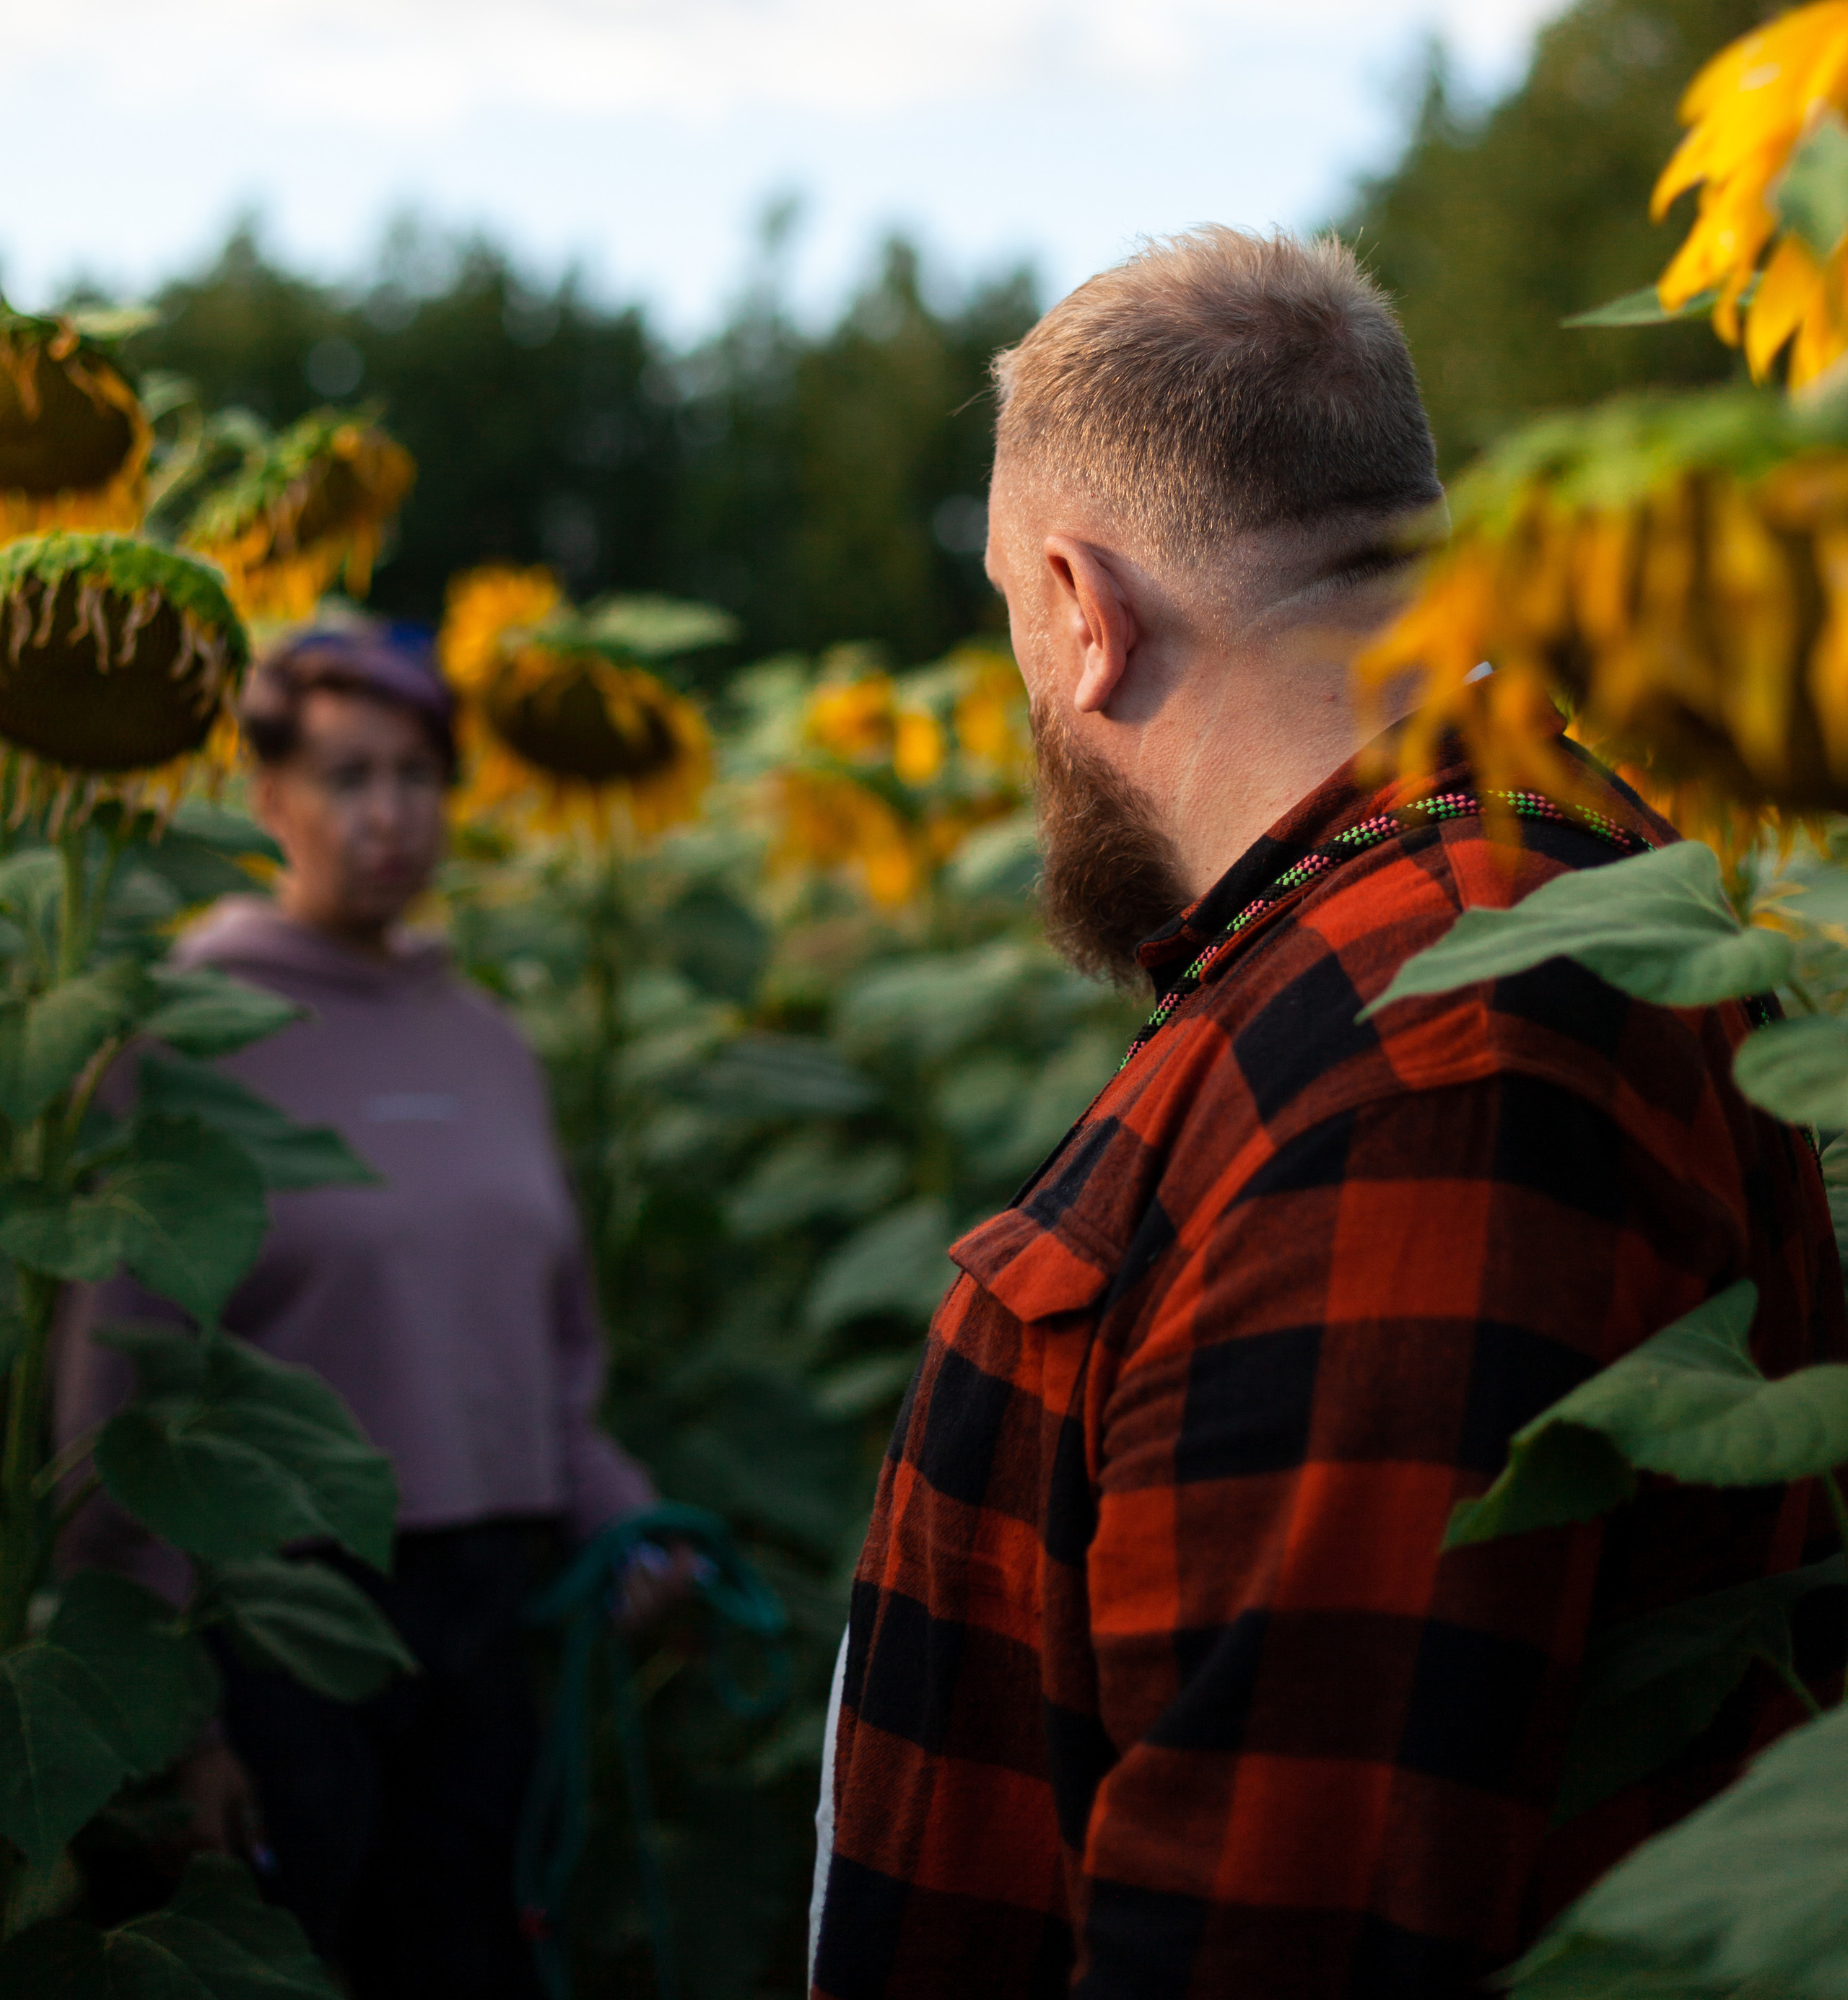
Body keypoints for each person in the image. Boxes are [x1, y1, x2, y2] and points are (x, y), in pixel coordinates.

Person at [810, 227, 1847, 2000]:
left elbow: (1289, 1909)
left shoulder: (1427, 1041)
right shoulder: (1481, 918)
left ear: (1078, 602)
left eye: (1005, 617)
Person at [56, 630, 668, 1998]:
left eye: (415, 774)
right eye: (345, 776)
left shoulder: (487, 1038)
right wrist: (170, 1715)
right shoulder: (183, 1029)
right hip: (275, 1614)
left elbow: (547, 1348)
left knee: (463, 1960)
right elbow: (118, 1384)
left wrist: (621, 1518)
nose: (388, 813)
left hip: (485, 1606)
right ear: (266, 798)